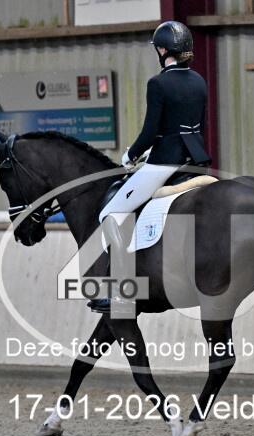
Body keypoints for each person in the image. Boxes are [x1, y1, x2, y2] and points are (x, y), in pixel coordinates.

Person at [89, 20, 211, 314]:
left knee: (110, 214)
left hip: (164, 164)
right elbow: (199, 125)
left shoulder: (158, 84)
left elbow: (150, 132)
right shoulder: (199, 80)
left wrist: (131, 155)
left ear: (163, 50)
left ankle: (120, 290)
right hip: (195, 161)